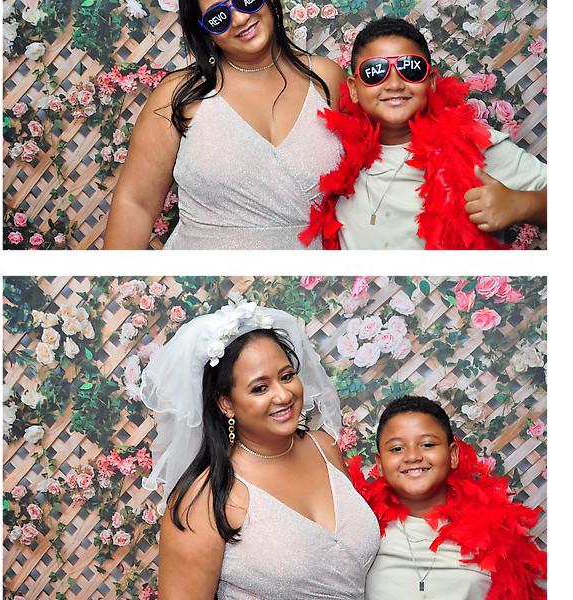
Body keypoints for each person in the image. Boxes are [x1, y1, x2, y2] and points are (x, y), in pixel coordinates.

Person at [140, 301, 380, 599]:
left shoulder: (323, 447)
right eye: (260, 388)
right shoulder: (204, 500)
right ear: (226, 403)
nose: (283, 395)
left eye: (287, 376)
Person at [103, 0, 344, 250]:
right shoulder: (178, 96)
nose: (240, 19)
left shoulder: (325, 79)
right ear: (204, 30)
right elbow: (136, 204)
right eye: (218, 16)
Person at [299, 17, 547, 250]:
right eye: (375, 72)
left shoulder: (472, 145)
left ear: (431, 81)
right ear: (354, 89)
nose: (394, 84)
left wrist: (520, 204)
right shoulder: (336, 150)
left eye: (411, 69)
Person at [347, 396, 546, 599]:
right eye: (397, 448)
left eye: (427, 444)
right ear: (380, 464)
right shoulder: (362, 529)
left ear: (453, 455)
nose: (413, 456)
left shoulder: (495, 534)